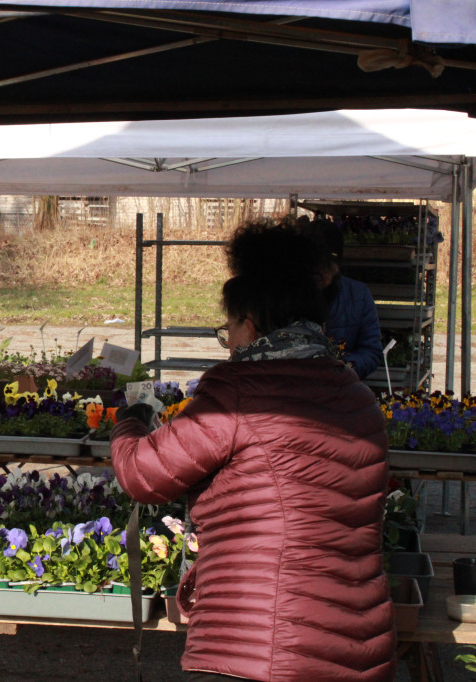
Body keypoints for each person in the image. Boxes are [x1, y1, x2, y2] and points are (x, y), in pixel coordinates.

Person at [111, 220, 395, 681]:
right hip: (361, 648)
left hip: (262, 647)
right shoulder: (358, 398)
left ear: (250, 324)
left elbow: (143, 474)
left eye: (227, 331)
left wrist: (131, 419)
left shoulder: (237, 394)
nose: (229, 344)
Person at [304, 218, 383, 380]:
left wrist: (346, 366)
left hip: (343, 390)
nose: (319, 274)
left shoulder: (358, 295)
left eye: (326, 266)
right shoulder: (287, 296)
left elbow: (372, 351)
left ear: (337, 265)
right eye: (313, 266)